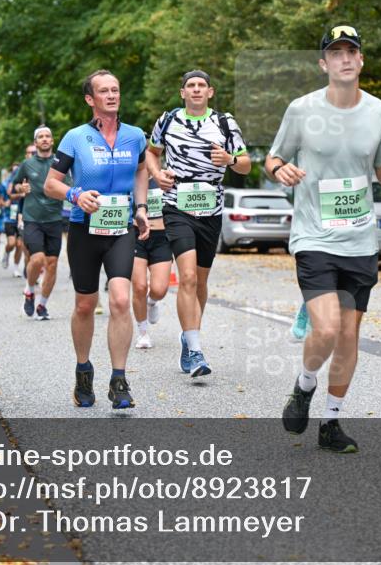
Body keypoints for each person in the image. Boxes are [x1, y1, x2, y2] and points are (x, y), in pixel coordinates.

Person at [265, 25, 381, 453]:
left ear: (361, 61)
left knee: (348, 334)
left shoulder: (380, 112)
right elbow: (275, 157)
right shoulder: (301, 109)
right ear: (324, 63)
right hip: (314, 235)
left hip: (360, 240)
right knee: (327, 327)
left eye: (352, 52)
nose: (345, 59)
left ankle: (331, 422)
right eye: (336, 53)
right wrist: (281, 171)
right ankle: (304, 384)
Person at [44, 69, 150, 410]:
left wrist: (143, 206)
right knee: (85, 305)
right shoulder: (75, 137)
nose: (112, 95)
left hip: (121, 228)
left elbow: (141, 170)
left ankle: (119, 380)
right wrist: (75, 195)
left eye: (116, 90)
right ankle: (83, 371)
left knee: (120, 300)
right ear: (90, 99)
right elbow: (51, 184)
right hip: (83, 230)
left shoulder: (135, 136)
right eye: (104, 91)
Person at [146, 70, 251, 378]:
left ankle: (188, 336)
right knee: (187, 277)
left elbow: (245, 165)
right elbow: (151, 154)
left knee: (201, 282)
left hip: (211, 208)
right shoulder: (167, 120)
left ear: (210, 92)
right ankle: (195, 349)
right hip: (176, 204)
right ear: (183, 93)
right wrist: (157, 174)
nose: (195, 90)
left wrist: (229, 160)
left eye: (201, 86)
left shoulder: (224, 123)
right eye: (190, 86)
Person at [11, 126, 64, 320]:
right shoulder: (27, 164)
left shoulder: (61, 163)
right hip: (32, 218)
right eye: (40, 137)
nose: (44, 139)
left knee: (52, 264)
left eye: (47, 136)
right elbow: (13, 187)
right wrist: (21, 187)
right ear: (35, 142)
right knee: (38, 259)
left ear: (52, 141)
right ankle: (29, 289)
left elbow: (71, 184)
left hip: (54, 219)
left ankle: (42, 305)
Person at [131, 177, 171, 349]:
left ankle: (152, 302)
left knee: (159, 289)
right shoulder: (130, 176)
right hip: (135, 235)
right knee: (139, 286)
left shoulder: (166, 177)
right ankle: (143, 333)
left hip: (161, 237)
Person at [1, 161, 24, 274]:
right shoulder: (6, 183)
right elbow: (6, 195)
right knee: (11, 243)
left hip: (22, 216)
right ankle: (7, 252)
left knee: (19, 244)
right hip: (9, 217)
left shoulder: (26, 182)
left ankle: (16, 267)